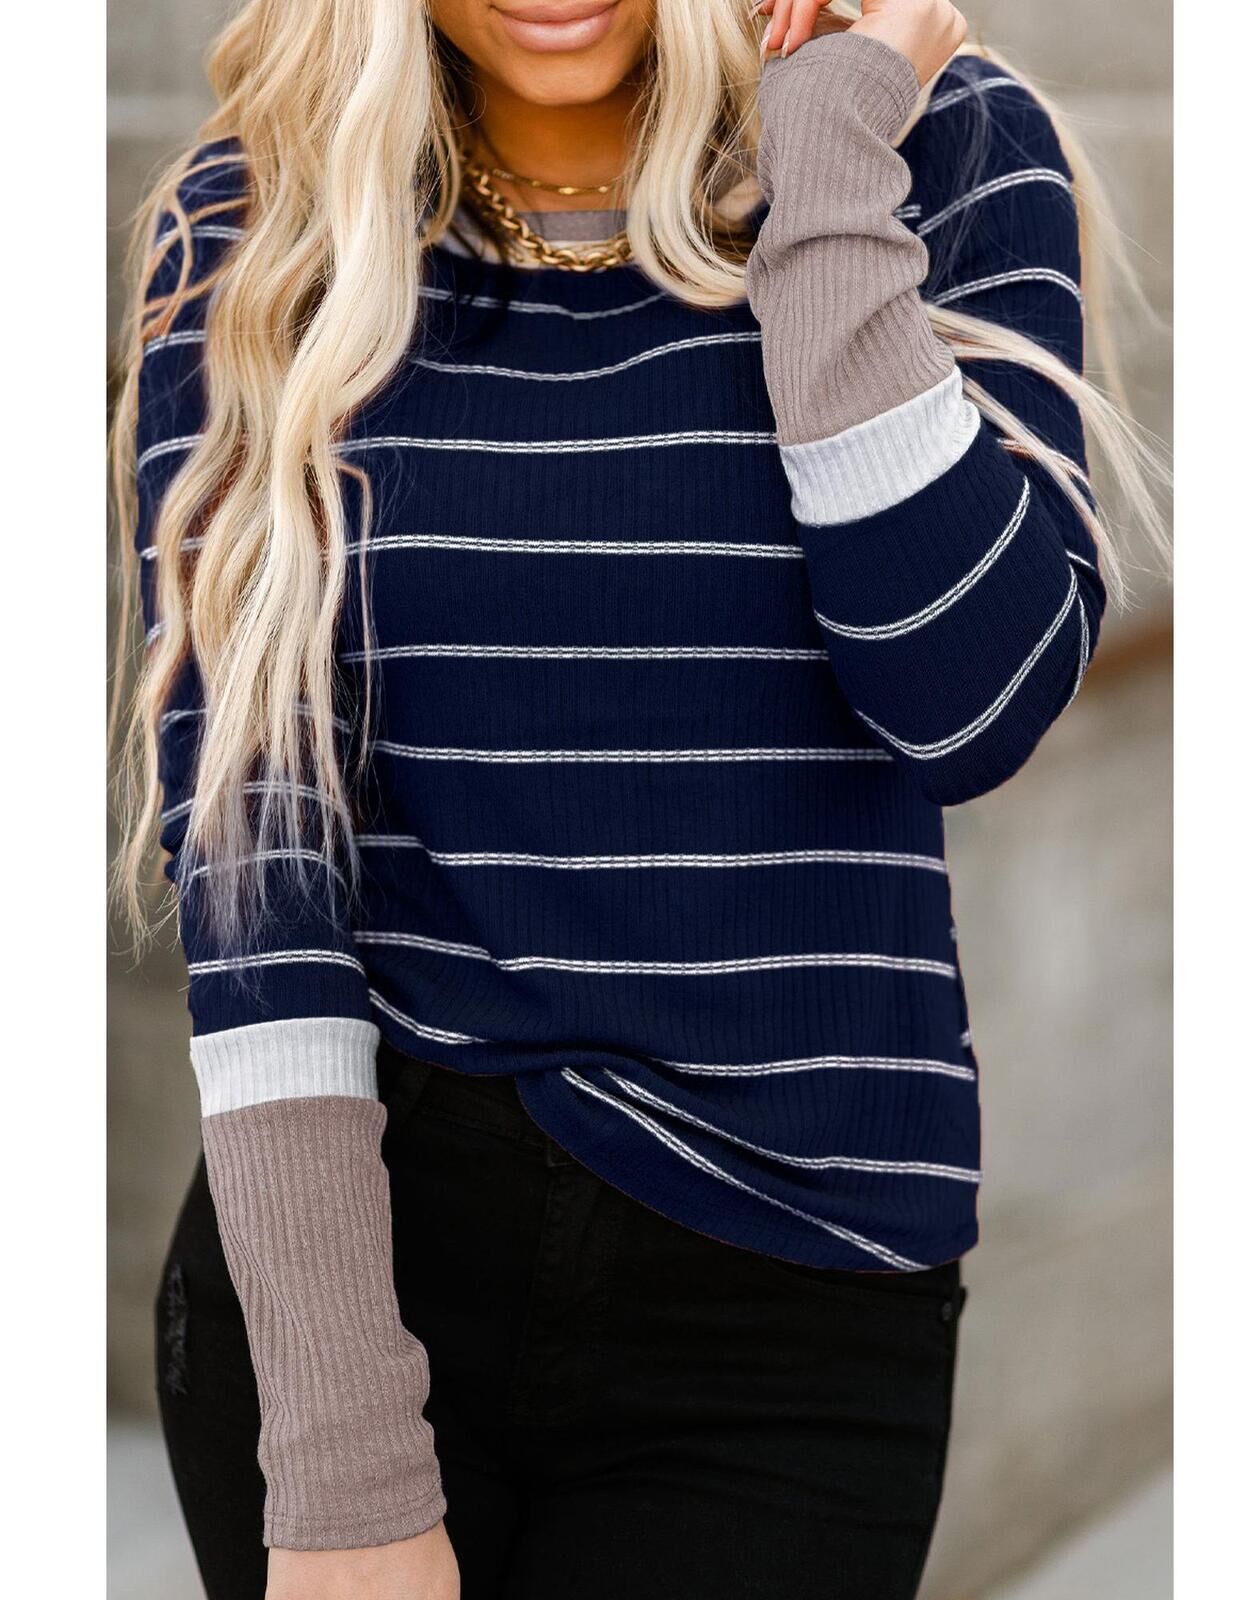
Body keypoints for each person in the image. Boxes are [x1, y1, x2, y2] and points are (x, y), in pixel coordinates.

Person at [111, 2, 1165, 1597]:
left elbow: (967, 702)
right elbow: (258, 870)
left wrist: (825, 180)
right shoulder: (260, 220)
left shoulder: (935, 145)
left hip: (790, 1293)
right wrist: (340, 1451)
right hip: (365, 1252)